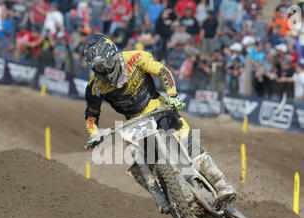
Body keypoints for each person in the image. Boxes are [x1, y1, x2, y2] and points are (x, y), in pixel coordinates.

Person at [83, 35, 237, 204]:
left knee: (186, 139)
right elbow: (91, 115)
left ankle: (221, 183)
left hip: (156, 107)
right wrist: (94, 133)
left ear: (113, 56)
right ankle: (166, 199)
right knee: (138, 167)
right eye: (97, 68)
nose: (103, 70)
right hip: (132, 123)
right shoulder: (95, 86)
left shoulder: (135, 58)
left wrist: (172, 94)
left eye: (104, 65)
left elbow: (162, 71)